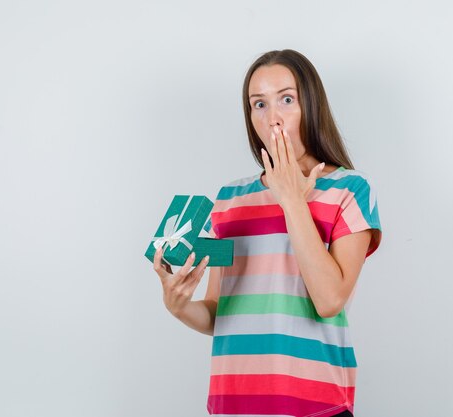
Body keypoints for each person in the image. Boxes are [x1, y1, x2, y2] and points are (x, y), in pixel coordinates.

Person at [153, 49, 382, 417]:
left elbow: (329, 300)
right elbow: (218, 312)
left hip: (315, 405)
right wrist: (179, 306)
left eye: (286, 100)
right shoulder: (229, 199)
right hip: (235, 404)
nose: (272, 118)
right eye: (258, 104)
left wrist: (291, 200)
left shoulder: (350, 190)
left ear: (311, 105)